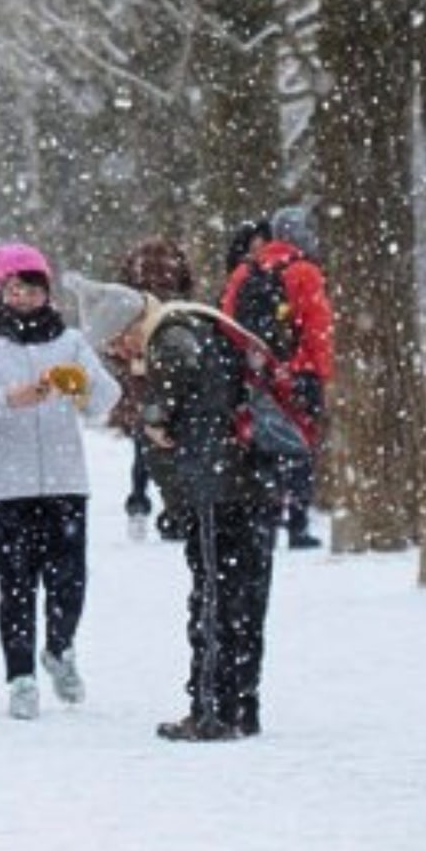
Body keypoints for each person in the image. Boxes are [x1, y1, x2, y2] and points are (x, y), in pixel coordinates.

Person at [0, 240, 120, 720]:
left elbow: (106, 398)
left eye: (33, 289)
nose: (25, 297)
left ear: (47, 292)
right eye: (15, 288)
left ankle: (59, 651)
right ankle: (20, 676)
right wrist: (7, 397)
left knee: (69, 582)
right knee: (17, 584)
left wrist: (82, 387)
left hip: (64, 480)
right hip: (3, 486)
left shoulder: (70, 342)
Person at [133, 289, 275, 742]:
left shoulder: (172, 337)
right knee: (245, 598)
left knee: (213, 597)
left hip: (217, 486)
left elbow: (183, 378)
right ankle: (243, 706)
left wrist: (157, 415)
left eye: (118, 341)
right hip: (249, 480)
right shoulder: (209, 327)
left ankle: (211, 710)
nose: (122, 353)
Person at [221, 211, 336, 549]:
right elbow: (318, 328)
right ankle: (297, 525)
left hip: (256, 374)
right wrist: (320, 373)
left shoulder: (245, 271)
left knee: (260, 448)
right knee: (299, 446)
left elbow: (228, 323)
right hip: (297, 372)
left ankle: (263, 522)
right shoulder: (306, 273)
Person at [104, 236, 195, 541]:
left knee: (144, 446)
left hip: (140, 380)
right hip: (156, 379)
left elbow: (112, 342)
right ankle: (170, 510)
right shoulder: (177, 306)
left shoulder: (130, 302)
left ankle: (140, 504)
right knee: (164, 443)